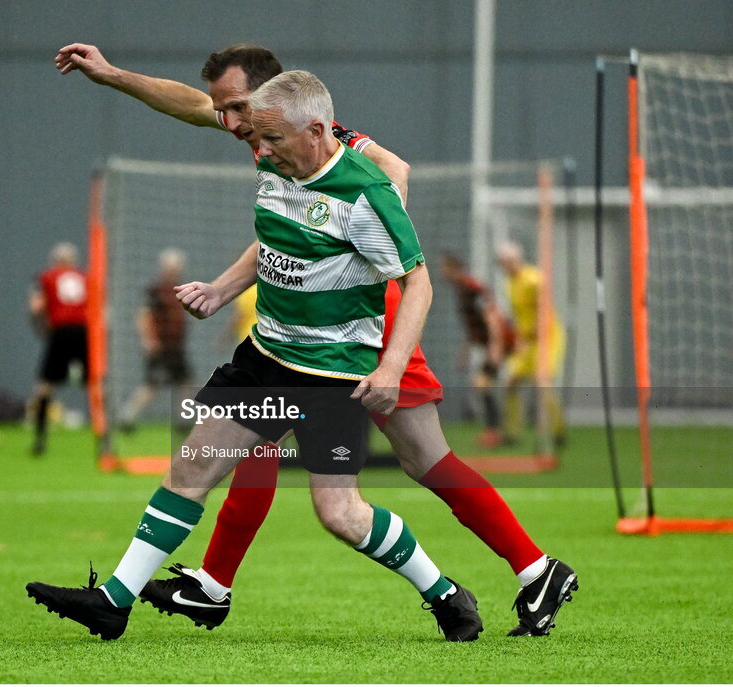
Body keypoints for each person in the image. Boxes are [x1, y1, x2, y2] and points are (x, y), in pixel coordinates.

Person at [54, 43, 577, 638]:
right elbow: (194, 111)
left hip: (365, 323)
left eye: (235, 108)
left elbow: (395, 178)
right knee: (246, 445)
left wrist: (363, 240)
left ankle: (534, 570)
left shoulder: (329, 148)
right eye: (223, 110)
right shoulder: (265, 140)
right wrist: (112, 75)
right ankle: (209, 585)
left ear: (278, 100)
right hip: (290, 334)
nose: (225, 121)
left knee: (422, 463)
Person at [440, 253, 516, 448]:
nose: (442, 272)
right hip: (491, 343)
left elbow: (492, 317)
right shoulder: (462, 290)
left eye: (445, 268)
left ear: (455, 269)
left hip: (501, 342)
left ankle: (495, 432)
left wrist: (495, 348)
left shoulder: (472, 288)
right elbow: (474, 325)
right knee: (485, 385)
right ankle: (498, 431)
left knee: (482, 384)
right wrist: (466, 350)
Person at [496, 241, 567, 446]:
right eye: (501, 263)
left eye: (506, 262)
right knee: (511, 380)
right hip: (526, 339)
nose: (504, 267)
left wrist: (526, 338)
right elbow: (519, 316)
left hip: (547, 338)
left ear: (516, 260)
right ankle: (511, 433)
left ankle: (558, 431)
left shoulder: (534, 280)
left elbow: (543, 314)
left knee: (541, 383)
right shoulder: (509, 283)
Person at [118, 249, 191, 430]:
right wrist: (148, 340)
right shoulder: (156, 292)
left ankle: (183, 422)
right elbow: (144, 315)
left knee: (185, 381)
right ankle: (127, 417)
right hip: (161, 346)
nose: (175, 271)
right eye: (172, 268)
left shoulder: (179, 290)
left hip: (175, 347)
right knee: (152, 384)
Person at [29, 242, 89, 456]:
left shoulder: (47, 277)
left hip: (61, 331)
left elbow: (35, 306)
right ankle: (105, 439)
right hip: (84, 331)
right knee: (95, 384)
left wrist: (41, 329)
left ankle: (39, 440)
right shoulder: (84, 277)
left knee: (45, 385)